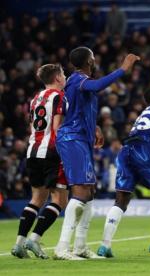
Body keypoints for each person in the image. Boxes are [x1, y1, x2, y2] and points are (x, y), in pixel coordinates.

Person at [53, 47, 139, 260]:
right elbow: (99, 86)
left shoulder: (77, 82)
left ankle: (80, 246)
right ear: (89, 61)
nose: (95, 61)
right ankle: (62, 248)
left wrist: (95, 127)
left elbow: (77, 109)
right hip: (72, 138)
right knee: (81, 192)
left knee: (89, 192)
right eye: (93, 58)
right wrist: (122, 69)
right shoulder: (77, 79)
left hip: (82, 137)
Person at [97, 87, 150, 258]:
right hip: (143, 152)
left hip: (125, 151)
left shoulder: (146, 111)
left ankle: (104, 246)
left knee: (121, 200)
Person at [11, 64, 68, 259]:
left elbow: (32, 125)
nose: (65, 77)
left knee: (36, 199)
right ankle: (34, 239)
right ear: (58, 78)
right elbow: (57, 128)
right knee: (60, 199)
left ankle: (19, 243)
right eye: (64, 74)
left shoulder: (35, 98)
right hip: (52, 152)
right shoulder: (59, 97)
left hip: (33, 150)